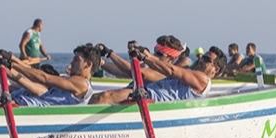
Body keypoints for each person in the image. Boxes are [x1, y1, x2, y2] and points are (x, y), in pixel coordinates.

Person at [90, 44, 226, 104]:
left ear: (217, 70)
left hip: (150, 99)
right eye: (203, 57)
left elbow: (171, 70)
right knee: (98, 97)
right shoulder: (188, 72)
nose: (202, 60)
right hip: (143, 95)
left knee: (104, 97)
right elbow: (123, 72)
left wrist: (145, 57)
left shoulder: (203, 79)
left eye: (207, 60)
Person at [0, 44, 98, 106]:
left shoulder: (82, 83)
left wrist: (13, 65)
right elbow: (33, 74)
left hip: (26, 109)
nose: (72, 62)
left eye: (76, 60)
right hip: (20, 105)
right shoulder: (68, 81)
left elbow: (44, 77)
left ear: (88, 64)